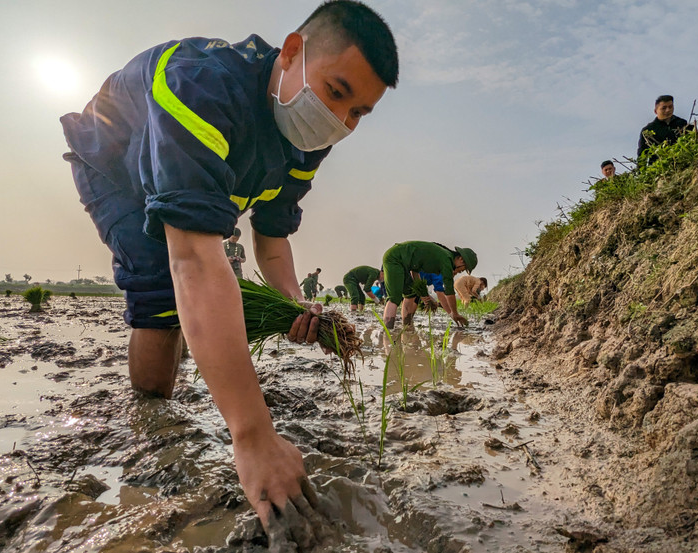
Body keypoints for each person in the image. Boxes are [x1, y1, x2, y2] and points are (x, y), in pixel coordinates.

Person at [60, 0, 398, 539]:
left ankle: (176, 394)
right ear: (292, 53)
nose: (341, 121)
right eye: (336, 93)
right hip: (115, 163)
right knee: (159, 291)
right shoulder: (199, 85)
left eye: (359, 112)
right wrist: (253, 434)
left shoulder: (308, 138)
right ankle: (151, 420)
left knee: (196, 276)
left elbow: (272, 238)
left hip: (197, 177)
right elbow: (193, 256)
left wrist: (294, 304)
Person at [381, 241, 476, 329]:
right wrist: (454, 314)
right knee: (394, 298)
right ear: (461, 259)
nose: (460, 272)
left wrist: (423, 294)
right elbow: (449, 291)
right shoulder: (447, 261)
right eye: (462, 269)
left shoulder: (443, 257)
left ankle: (407, 326)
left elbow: (415, 270)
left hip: (404, 263)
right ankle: (388, 332)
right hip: (395, 259)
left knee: (411, 294)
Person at [637, 95, 694, 159]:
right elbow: (641, 156)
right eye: (664, 108)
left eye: (670, 107)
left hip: (681, 162)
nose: (668, 110)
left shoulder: (682, 123)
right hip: (658, 166)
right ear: (655, 111)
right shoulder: (648, 130)